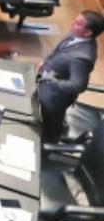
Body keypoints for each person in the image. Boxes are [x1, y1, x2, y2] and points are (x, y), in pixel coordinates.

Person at [37, 11, 103, 142]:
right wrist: (46, 61)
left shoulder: (82, 58)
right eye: (75, 19)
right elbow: (59, 50)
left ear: (88, 33)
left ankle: (47, 153)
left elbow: (78, 85)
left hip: (53, 99)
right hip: (43, 83)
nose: (72, 23)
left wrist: (53, 82)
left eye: (77, 23)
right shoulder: (76, 34)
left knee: (49, 130)